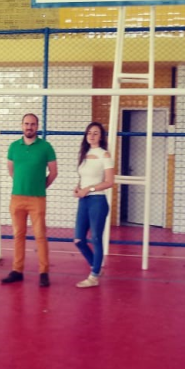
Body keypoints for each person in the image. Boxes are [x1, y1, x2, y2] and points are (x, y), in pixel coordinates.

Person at [1, 113, 58, 287]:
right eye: (26, 124)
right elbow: (11, 171)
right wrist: (22, 184)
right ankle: (17, 270)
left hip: (37, 199)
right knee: (18, 235)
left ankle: (44, 272)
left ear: (37, 126)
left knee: (40, 236)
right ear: (22, 125)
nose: (29, 127)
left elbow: (53, 172)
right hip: (17, 197)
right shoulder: (13, 147)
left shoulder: (46, 147)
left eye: (32, 124)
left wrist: (40, 186)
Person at [73, 122, 115, 288]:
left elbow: (109, 182)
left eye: (95, 133)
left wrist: (88, 189)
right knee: (78, 240)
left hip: (97, 201)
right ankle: (96, 267)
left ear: (101, 136)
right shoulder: (85, 154)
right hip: (84, 201)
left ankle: (94, 276)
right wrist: (78, 187)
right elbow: (84, 177)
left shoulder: (104, 155)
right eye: (89, 132)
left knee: (96, 238)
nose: (91, 136)